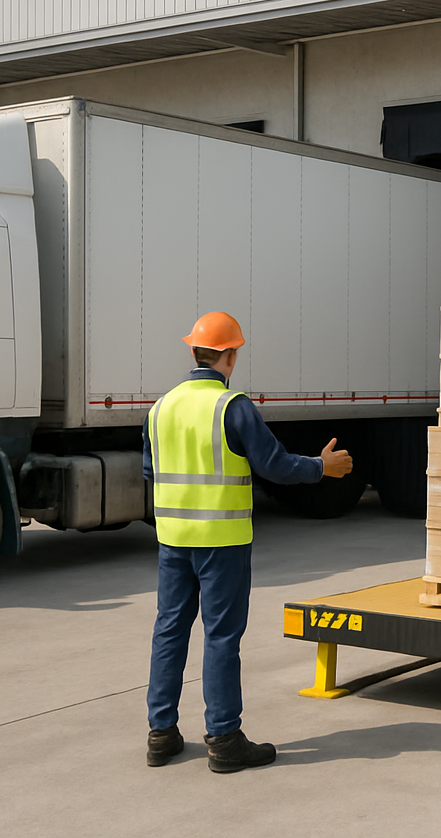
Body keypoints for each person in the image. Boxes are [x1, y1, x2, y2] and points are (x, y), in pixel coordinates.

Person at [142, 311, 353, 772]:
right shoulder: (231, 406)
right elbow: (273, 464)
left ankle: (161, 733)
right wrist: (321, 467)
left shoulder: (160, 408)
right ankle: (223, 738)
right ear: (230, 356)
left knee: (169, 629)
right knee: (221, 637)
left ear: (193, 351)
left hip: (173, 540)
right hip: (222, 539)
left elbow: (148, 472)